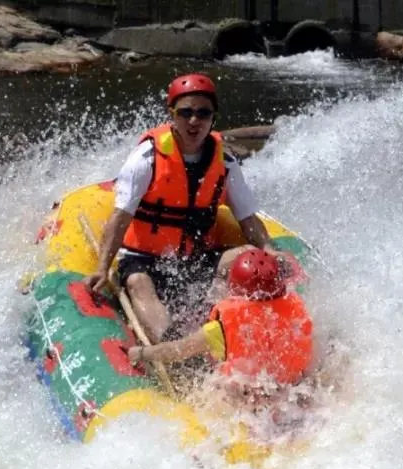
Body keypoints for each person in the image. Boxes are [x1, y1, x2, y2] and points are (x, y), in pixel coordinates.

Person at [86, 73, 277, 342]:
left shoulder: (225, 161)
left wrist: (269, 251)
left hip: (196, 256)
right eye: (185, 112)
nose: (194, 121)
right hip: (144, 258)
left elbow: (247, 218)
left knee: (246, 255)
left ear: (213, 117)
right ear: (172, 114)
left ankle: (225, 327)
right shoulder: (147, 157)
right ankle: (173, 345)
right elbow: (120, 216)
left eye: (203, 113)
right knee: (138, 284)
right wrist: (102, 268)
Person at [127, 248, 314, 398]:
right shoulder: (297, 312)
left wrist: (143, 353)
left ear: (234, 287)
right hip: (289, 391)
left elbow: (178, 351)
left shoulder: (223, 327)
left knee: (211, 386)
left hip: (245, 398)